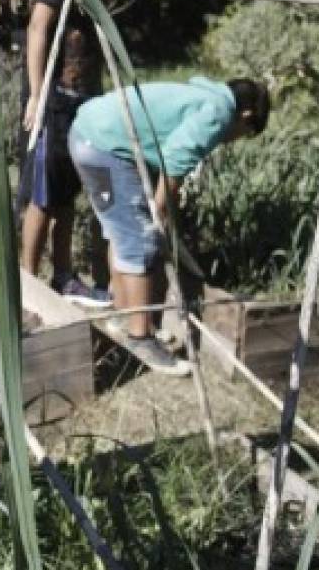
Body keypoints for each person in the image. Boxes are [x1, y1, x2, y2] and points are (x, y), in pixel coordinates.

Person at [68, 76, 270, 375]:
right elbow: (174, 162)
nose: (235, 139)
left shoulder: (201, 93)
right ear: (246, 115)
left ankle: (125, 318)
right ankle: (141, 338)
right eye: (244, 133)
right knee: (139, 242)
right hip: (105, 147)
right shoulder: (219, 111)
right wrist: (160, 213)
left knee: (121, 234)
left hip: (86, 136)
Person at [19, 0, 150, 307]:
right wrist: (37, 95)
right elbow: (39, 26)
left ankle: (62, 276)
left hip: (84, 104)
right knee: (43, 194)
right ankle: (26, 284)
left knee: (68, 195)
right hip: (54, 98)